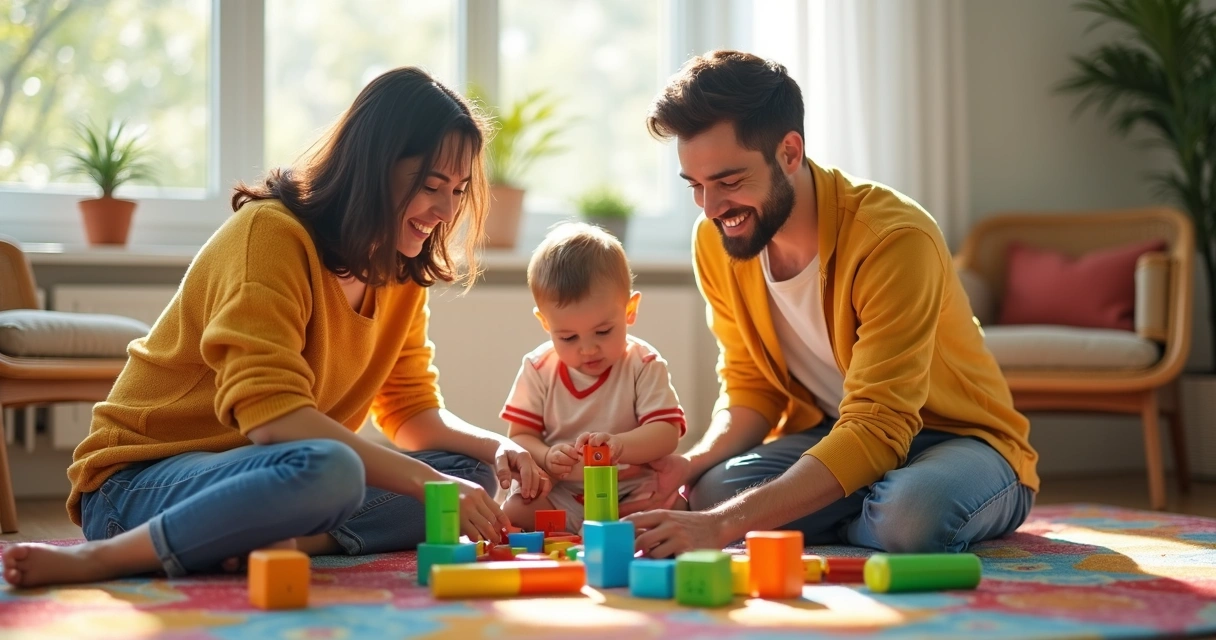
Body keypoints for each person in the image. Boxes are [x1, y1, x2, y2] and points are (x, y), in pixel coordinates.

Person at [2, 67, 546, 588]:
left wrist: (494, 446)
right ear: (376, 167)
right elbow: (272, 419)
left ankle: (284, 541)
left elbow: (410, 413)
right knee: (335, 470)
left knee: (469, 475)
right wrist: (426, 483)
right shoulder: (270, 235)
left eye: (457, 190)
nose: (445, 210)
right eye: (432, 185)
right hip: (137, 485)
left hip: (278, 474)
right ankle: (110, 557)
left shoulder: (400, 276)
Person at [621, 50, 1039, 558]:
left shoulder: (894, 238)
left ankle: (855, 509)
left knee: (911, 518)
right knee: (712, 490)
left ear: (789, 153)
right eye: (696, 186)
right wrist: (691, 463)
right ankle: (855, 505)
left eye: (729, 182)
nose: (711, 208)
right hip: (836, 431)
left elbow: (879, 423)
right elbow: (751, 385)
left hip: (959, 439)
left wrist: (722, 527)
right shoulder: (718, 240)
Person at [499, 222, 686, 534]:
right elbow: (519, 437)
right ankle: (576, 532)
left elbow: (666, 433)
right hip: (566, 494)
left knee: (677, 512)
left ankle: (613, 531)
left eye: (603, 331)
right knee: (515, 509)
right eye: (568, 337)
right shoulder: (538, 367)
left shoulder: (644, 363)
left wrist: (620, 447)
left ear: (630, 309)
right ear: (545, 323)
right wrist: (546, 456)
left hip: (630, 493)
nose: (588, 349)